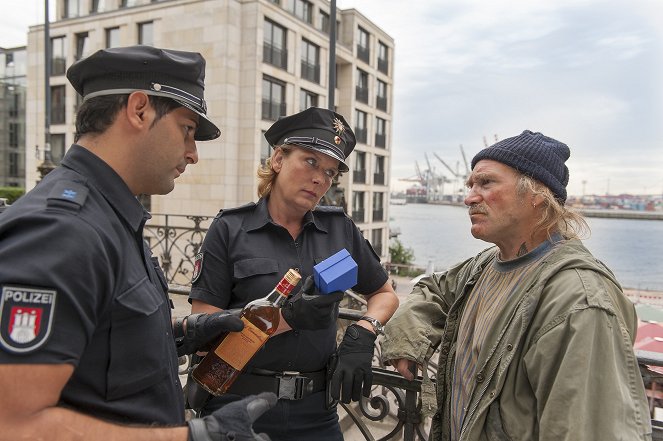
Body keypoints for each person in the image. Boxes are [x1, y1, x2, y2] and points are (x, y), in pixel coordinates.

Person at [0, 45, 276, 441]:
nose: (193, 153)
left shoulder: (107, 214)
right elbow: (13, 424)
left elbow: (105, 342)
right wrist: (195, 437)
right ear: (140, 109)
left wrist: (184, 331)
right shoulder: (62, 231)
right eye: (187, 129)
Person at [381, 130, 652, 441]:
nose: (469, 197)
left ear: (536, 193)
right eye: (470, 185)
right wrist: (409, 340)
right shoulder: (484, 266)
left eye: (486, 183)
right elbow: (433, 289)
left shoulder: (579, 301)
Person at [188, 107, 400, 440]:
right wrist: (288, 318)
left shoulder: (339, 229)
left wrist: (365, 329)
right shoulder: (229, 229)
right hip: (239, 405)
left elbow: (384, 293)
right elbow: (201, 333)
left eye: (330, 172)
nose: (320, 178)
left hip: (318, 411)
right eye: (311, 161)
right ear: (277, 159)